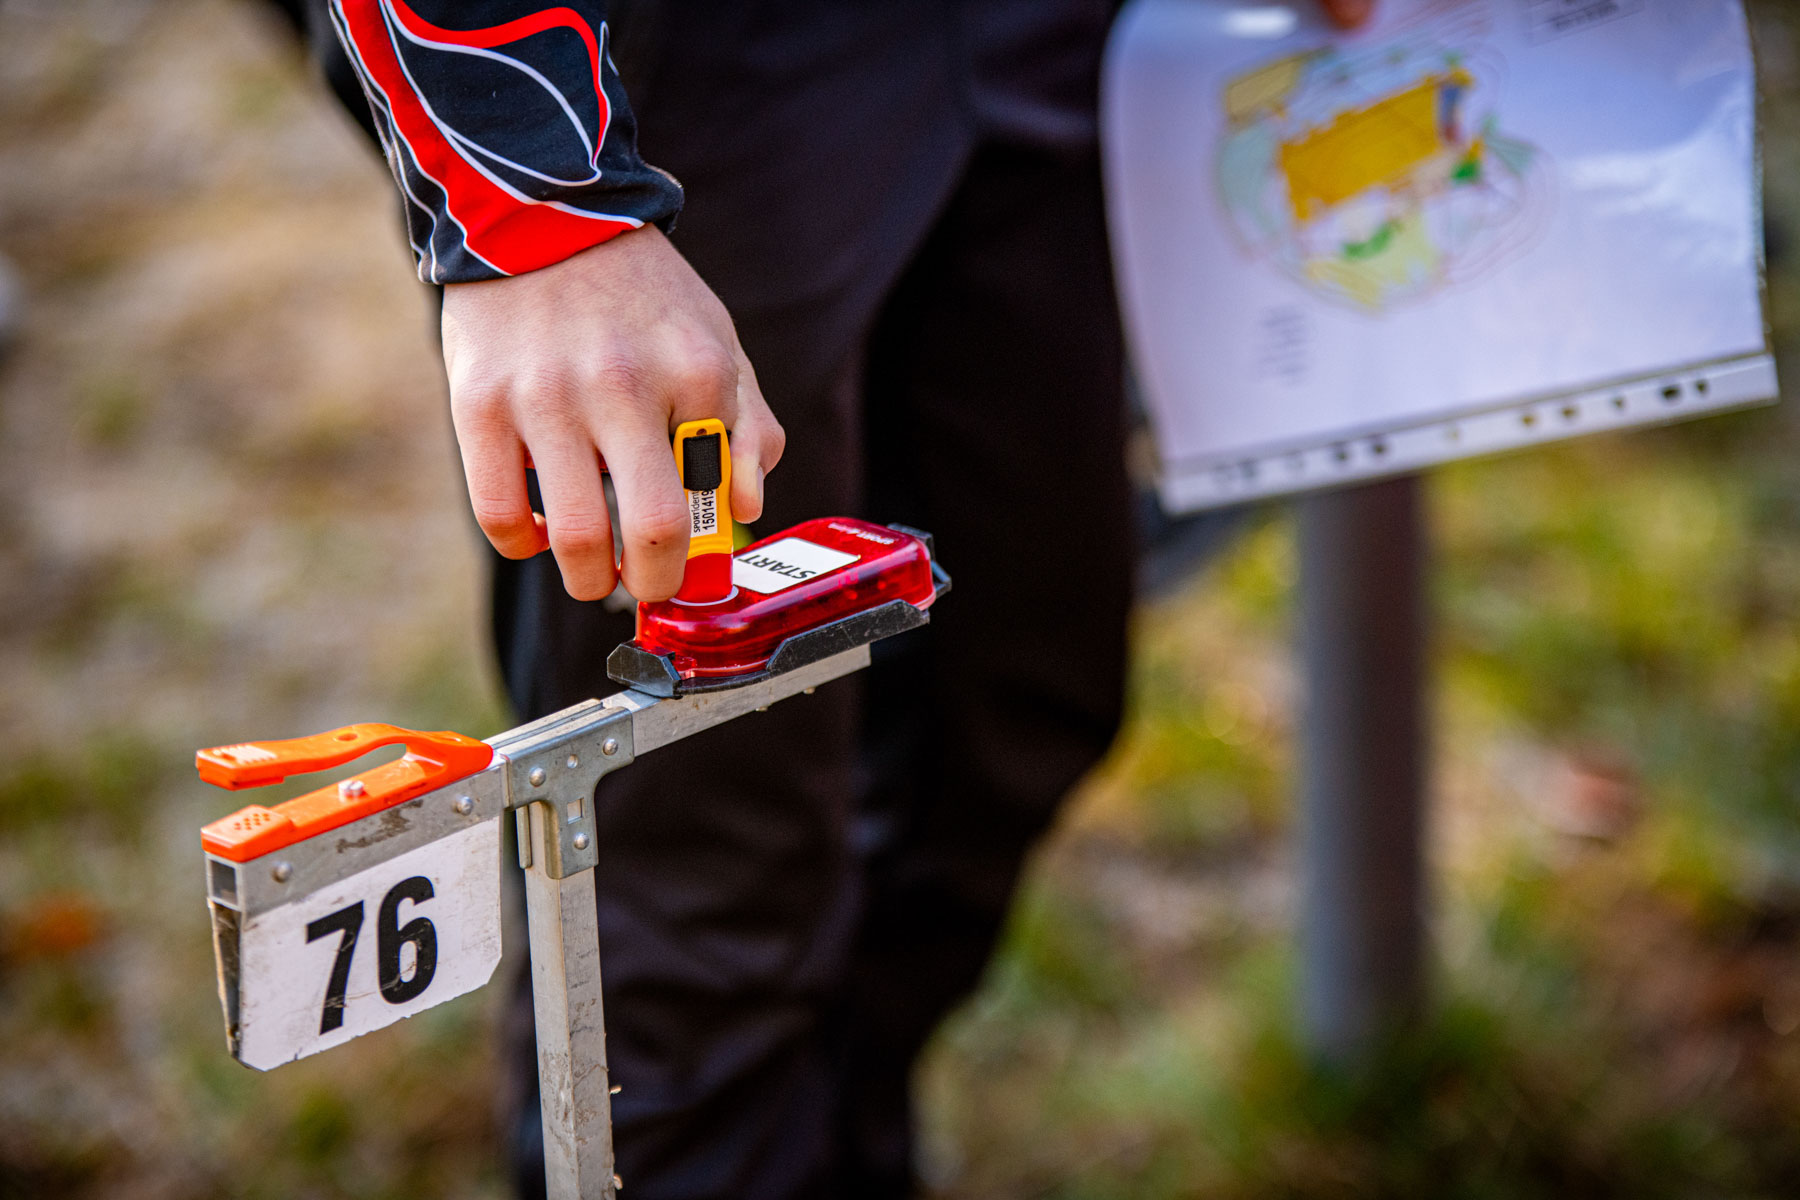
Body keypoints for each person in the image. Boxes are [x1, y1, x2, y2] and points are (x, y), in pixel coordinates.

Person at [278, 1, 1373, 1195]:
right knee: (702, 866)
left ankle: (838, 1146)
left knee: (1009, 705)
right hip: (673, 68)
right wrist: (534, 200)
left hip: (1030, 31)